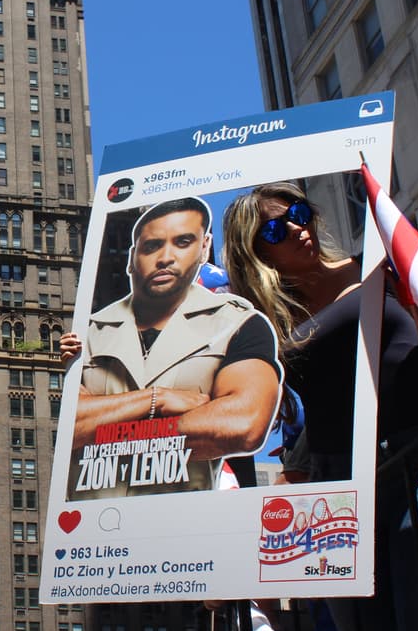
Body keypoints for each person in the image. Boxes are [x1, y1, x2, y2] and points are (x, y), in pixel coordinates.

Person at [220, 182, 418, 631]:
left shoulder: (376, 266)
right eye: (276, 228)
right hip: (336, 490)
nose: (298, 228)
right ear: (257, 254)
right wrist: (81, 358)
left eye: (298, 213)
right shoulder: (262, 321)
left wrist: (414, 304)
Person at [60, 196, 283, 500]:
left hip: (189, 523)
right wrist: (158, 400)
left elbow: (243, 424)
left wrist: (107, 428)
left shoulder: (239, 324)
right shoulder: (84, 334)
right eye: (152, 246)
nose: (165, 257)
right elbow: (66, 426)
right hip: (96, 532)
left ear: (204, 248)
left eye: (182, 242)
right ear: (131, 258)